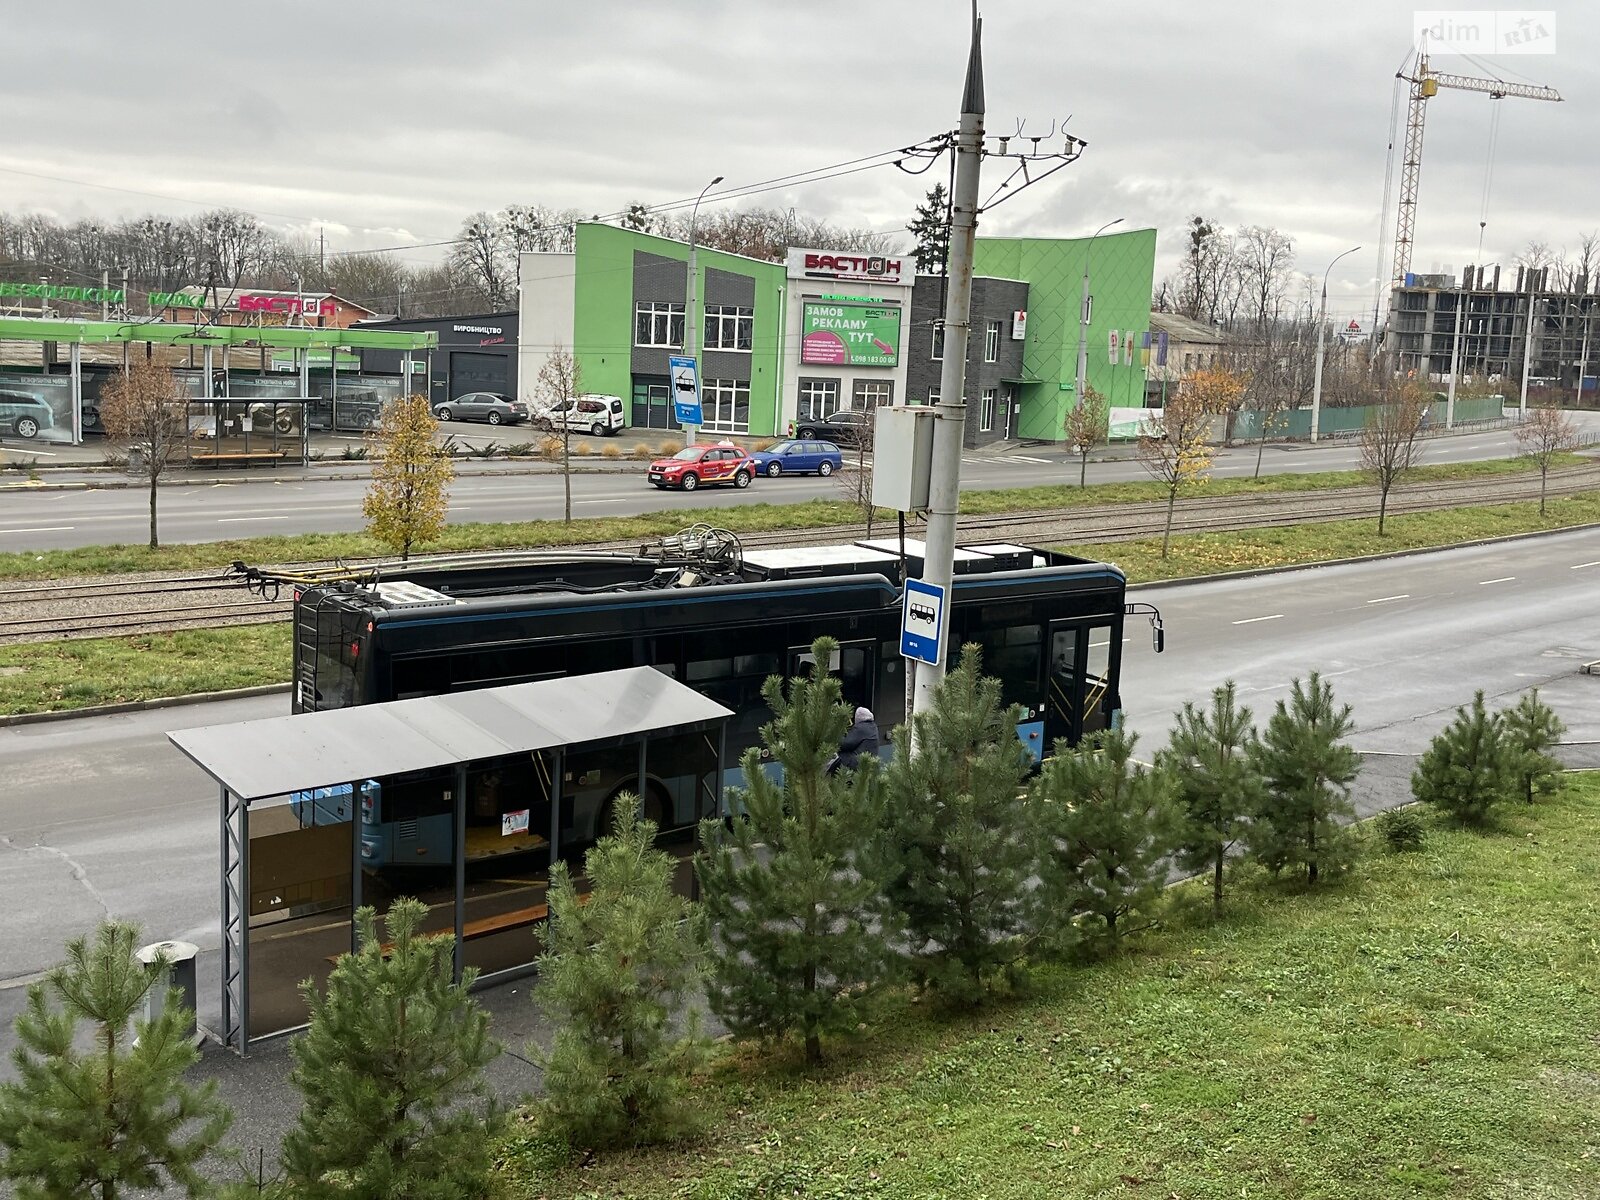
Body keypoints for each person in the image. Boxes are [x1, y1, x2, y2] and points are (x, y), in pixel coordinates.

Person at [829, 706, 880, 775]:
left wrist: (835, 737)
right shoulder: (873, 727)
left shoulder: (861, 727)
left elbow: (845, 744)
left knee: (836, 759)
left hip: (855, 764)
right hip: (867, 765)